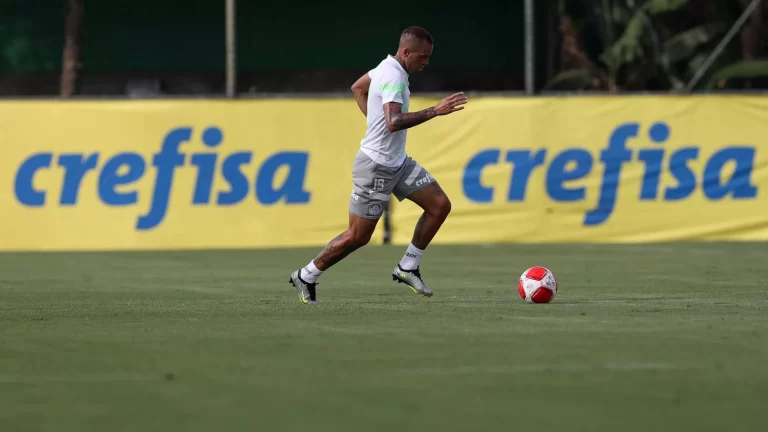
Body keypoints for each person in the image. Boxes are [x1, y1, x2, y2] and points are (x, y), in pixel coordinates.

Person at [289, 26, 467, 304]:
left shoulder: (385, 66)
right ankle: (307, 274)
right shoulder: (395, 77)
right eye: (422, 57)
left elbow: (358, 87)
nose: (426, 63)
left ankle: (407, 266)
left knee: (439, 205)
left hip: (398, 163)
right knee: (357, 237)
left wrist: (374, 122)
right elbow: (394, 122)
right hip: (376, 167)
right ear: (406, 52)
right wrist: (435, 110)